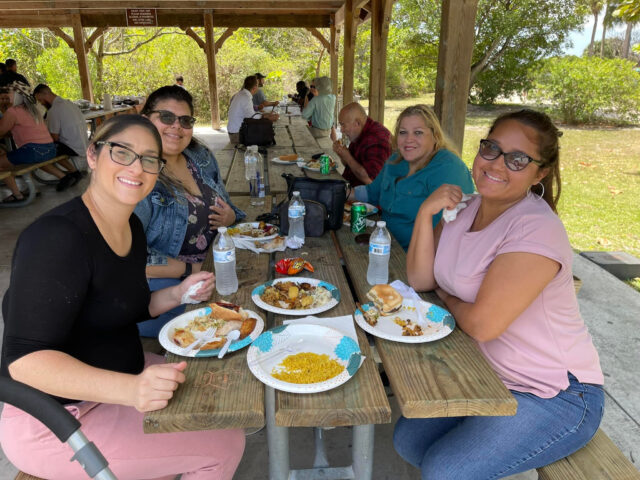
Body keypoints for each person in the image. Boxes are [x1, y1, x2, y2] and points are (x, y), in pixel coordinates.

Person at [0, 114, 245, 479]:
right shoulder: (55, 238)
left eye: (149, 159)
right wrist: (131, 389)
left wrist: (178, 293)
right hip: (56, 419)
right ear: (93, 155)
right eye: (122, 152)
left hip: (120, 379)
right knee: (225, 442)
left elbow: (124, 307)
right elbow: (24, 362)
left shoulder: (129, 226)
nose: (137, 167)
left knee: (220, 395)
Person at [396, 109, 604, 479]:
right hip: (488, 373)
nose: (497, 164)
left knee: (445, 471)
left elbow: (482, 324)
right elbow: (421, 279)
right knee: (407, 441)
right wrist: (426, 211)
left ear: (539, 173)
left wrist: (451, 298)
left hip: (556, 393)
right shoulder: (464, 209)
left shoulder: (535, 229)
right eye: (491, 148)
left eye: (518, 159)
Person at [136, 85, 246, 337]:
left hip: (214, 267)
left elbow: (229, 207)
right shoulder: (136, 174)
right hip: (162, 289)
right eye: (166, 117)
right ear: (146, 120)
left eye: (185, 120)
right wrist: (190, 270)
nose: (176, 126)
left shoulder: (199, 155)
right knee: (231, 325)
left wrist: (230, 216)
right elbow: (124, 258)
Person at [350, 104, 474, 250]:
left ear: (435, 136)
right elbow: (372, 193)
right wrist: (341, 192)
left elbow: (449, 232)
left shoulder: (448, 167)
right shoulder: (395, 160)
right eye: (403, 132)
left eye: (418, 132)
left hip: (414, 259)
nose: (409, 139)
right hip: (383, 245)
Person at [0, 81, 72, 203]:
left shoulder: (13, 111)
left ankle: (18, 195)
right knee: (22, 156)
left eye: (10, 92)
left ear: (17, 95)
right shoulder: (32, 109)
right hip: (49, 149)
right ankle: (61, 177)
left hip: (33, 151)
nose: (7, 95)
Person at [33, 83, 86, 189]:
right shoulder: (69, 103)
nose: (42, 104)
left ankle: (67, 176)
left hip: (72, 147)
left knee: (42, 150)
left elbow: (54, 138)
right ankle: (73, 173)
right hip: (83, 144)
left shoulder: (54, 110)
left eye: (40, 100)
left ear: (44, 94)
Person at [331, 102, 391, 187]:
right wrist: (341, 154)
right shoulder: (359, 133)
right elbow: (351, 166)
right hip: (352, 187)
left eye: (343, 125)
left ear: (357, 123)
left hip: (367, 197)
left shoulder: (376, 139)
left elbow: (371, 180)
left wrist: (347, 156)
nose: (341, 130)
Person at [227, 75, 278, 145]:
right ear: (254, 88)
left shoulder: (242, 94)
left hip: (235, 130)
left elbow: (249, 112)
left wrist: (265, 115)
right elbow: (251, 116)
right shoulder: (246, 97)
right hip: (237, 134)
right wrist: (266, 116)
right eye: (257, 85)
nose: (258, 87)